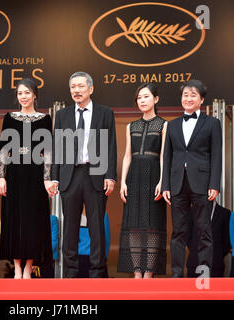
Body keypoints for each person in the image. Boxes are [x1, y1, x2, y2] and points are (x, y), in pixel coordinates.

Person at [51, 71, 117, 278]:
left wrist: (111, 175)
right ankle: (69, 273)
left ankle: (97, 273)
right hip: (70, 175)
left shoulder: (105, 112)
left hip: (95, 173)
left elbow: (111, 145)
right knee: (69, 225)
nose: (76, 91)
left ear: (91, 88)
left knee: (96, 225)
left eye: (80, 86)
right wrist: (54, 176)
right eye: (73, 87)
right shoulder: (62, 115)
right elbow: (57, 147)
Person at [161, 79, 222, 278]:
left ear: (201, 99)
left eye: (193, 95)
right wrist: (165, 185)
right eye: (185, 95)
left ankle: (203, 273)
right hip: (177, 183)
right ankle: (177, 275)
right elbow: (167, 156)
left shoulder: (212, 123)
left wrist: (214, 184)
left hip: (202, 183)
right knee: (178, 231)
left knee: (204, 230)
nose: (188, 98)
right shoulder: (172, 125)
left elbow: (216, 156)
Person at [0, 78, 53, 279]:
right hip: (14, 172)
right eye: (20, 93)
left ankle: (29, 268)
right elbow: (4, 149)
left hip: (36, 173)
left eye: (27, 92)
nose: (23, 96)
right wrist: (1, 177)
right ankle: (17, 268)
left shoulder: (45, 119)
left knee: (34, 220)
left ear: (34, 95)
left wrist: (47, 178)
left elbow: (47, 151)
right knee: (14, 219)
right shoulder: (9, 118)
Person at [117, 83, 168, 279]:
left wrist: (162, 182)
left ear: (156, 99)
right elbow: (127, 156)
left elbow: (163, 156)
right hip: (134, 177)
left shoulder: (164, 125)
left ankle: (149, 273)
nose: (142, 101)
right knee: (134, 227)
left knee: (153, 226)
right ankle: (137, 272)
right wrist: (123, 182)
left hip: (154, 174)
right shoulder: (131, 126)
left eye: (146, 97)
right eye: (139, 98)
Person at [186, 201, 231, 277]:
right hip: (195, 263)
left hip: (216, 264)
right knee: (193, 289)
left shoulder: (225, 213)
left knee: (215, 289)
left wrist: (217, 254)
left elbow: (227, 241)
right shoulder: (192, 211)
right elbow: (188, 237)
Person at [78, 210, 110, 278]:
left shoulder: (74, 215)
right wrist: (104, 257)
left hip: (79, 258)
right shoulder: (102, 214)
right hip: (97, 257)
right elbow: (106, 240)